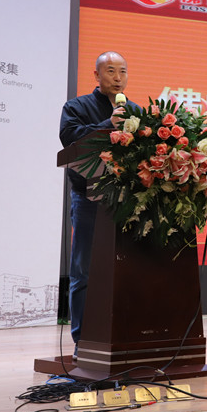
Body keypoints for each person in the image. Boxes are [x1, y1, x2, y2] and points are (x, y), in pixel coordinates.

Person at [59, 51, 136, 357]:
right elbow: (70, 139)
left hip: (128, 200)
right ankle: (83, 339)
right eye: (111, 71)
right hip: (89, 198)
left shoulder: (135, 110)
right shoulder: (76, 107)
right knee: (84, 270)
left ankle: (125, 334)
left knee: (127, 268)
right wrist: (108, 124)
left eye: (122, 71)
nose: (118, 78)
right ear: (97, 75)